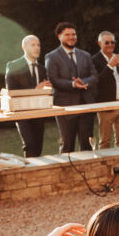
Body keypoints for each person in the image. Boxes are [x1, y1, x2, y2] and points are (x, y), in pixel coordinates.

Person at [45, 22, 98, 153]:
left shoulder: (85, 55)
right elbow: (54, 80)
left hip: (86, 105)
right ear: (59, 37)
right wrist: (73, 84)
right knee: (67, 145)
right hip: (65, 107)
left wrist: (84, 82)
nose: (71, 37)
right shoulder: (52, 57)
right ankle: (66, 173)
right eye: (67, 34)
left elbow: (94, 76)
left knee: (87, 145)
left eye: (73, 34)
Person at [5, 35, 52, 157]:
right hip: (21, 113)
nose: (37, 48)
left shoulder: (42, 69)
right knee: (29, 145)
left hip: (39, 112)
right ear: (24, 47)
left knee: (38, 146)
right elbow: (11, 92)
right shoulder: (14, 66)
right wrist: (36, 90)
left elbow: (44, 90)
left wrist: (47, 90)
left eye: (38, 45)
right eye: (33, 45)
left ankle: (37, 173)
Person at [92, 31, 119, 149]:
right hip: (106, 104)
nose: (110, 45)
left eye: (112, 42)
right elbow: (97, 81)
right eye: (106, 42)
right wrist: (110, 66)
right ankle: (104, 166)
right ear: (100, 44)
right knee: (105, 141)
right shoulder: (94, 60)